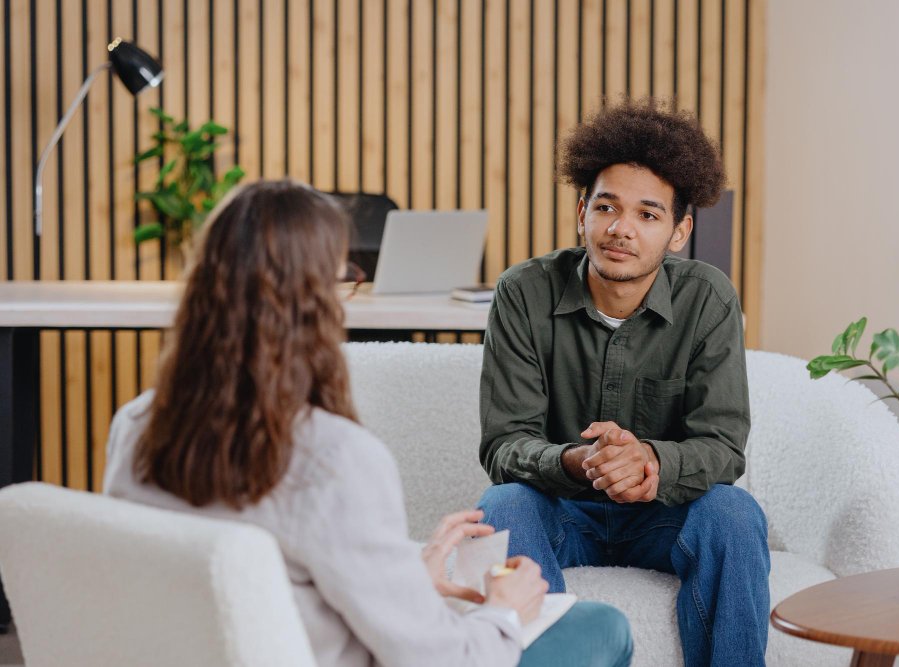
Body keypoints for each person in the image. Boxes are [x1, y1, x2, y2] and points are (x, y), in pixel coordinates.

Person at [102, 180, 632, 667]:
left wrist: (409, 576)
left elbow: (280, 583)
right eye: (343, 280)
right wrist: (505, 611)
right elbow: (438, 660)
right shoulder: (332, 456)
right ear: (313, 306)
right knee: (599, 626)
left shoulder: (136, 427)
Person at [476, 99, 770, 667]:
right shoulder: (524, 292)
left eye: (648, 215)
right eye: (606, 207)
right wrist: (576, 461)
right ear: (582, 212)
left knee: (734, 513)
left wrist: (648, 464)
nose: (621, 229)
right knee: (504, 502)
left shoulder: (708, 298)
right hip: (562, 509)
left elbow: (723, 447)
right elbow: (504, 444)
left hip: (665, 514)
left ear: (680, 230)